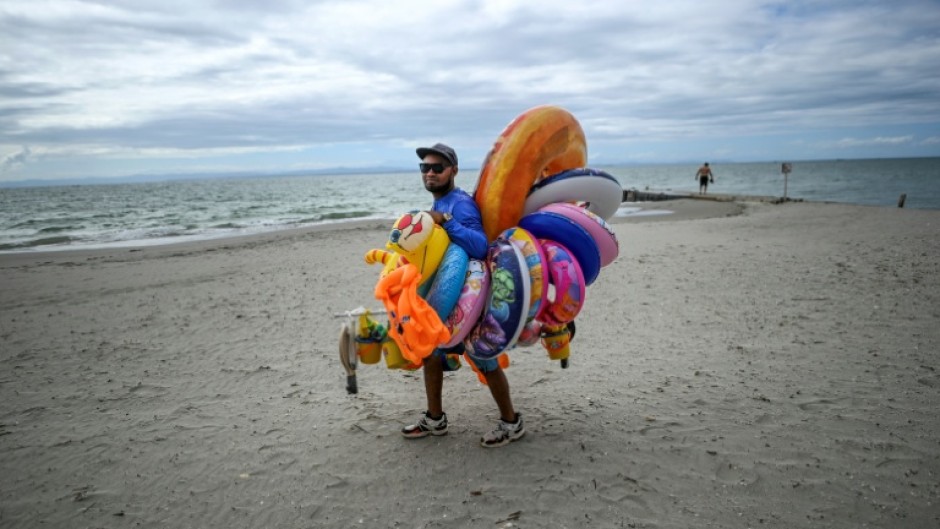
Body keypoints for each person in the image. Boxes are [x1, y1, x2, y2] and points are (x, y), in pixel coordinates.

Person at [401, 142, 526, 448]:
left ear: (453, 171)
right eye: (425, 168)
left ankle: (512, 422)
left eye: (437, 168)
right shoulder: (439, 204)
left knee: (484, 361)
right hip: (446, 295)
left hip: (470, 299)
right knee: (432, 354)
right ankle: (435, 419)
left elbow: (480, 246)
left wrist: (449, 222)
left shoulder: (460, 205)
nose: (430, 173)